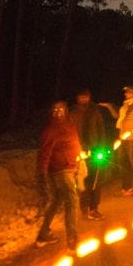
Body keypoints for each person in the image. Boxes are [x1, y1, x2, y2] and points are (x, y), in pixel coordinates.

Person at [36, 100, 84, 248]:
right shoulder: (50, 131)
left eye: (60, 110)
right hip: (60, 170)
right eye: (55, 111)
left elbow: (75, 144)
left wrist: (80, 159)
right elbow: (44, 153)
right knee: (73, 199)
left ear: (66, 111)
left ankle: (43, 235)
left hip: (70, 167)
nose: (57, 113)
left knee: (58, 200)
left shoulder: (70, 126)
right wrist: (42, 172)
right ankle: (72, 238)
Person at [68, 87, 112, 220]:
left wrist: (102, 146)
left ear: (89, 97)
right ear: (77, 98)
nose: (83, 99)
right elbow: (69, 132)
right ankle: (84, 207)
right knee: (82, 181)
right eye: (81, 97)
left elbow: (101, 129)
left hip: (95, 150)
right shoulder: (73, 113)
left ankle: (94, 208)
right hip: (79, 151)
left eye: (85, 97)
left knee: (95, 181)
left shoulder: (95, 111)